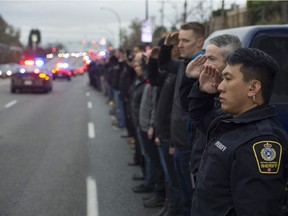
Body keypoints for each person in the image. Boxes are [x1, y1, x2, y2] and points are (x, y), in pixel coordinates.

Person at [188, 47, 288, 215]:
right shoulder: (230, 120)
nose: (220, 86)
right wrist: (203, 92)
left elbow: (257, 210)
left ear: (253, 88)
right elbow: (199, 117)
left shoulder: (259, 143)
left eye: (227, 78)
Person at [158, 22, 206, 216]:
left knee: (192, 198)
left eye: (185, 40)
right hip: (178, 143)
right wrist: (166, 46)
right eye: (180, 41)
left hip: (190, 146)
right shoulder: (184, 64)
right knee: (183, 193)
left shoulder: (203, 69)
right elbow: (164, 64)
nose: (180, 45)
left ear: (200, 41)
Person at [184, 34, 242, 186]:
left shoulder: (234, 98)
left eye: (211, 59)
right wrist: (189, 78)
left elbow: (205, 122)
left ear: (230, 62)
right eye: (205, 57)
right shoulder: (209, 85)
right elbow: (188, 110)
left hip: (215, 178)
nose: (205, 64)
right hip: (199, 165)